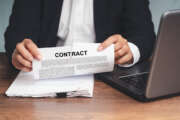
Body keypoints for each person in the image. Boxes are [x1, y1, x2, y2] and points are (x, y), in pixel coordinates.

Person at [4, 0, 155, 72]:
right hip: (46, 73)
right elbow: (17, 35)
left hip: (108, 76)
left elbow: (144, 34)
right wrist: (19, 54)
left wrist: (129, 50)